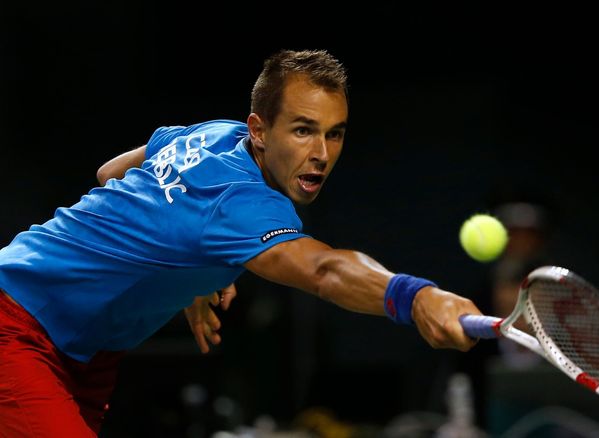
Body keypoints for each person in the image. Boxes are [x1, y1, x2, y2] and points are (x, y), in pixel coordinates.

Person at [0, 49, 482, 436]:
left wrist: (188, 267)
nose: (320, 154)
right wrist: (416, 296)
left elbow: (111, 172)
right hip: (18, 323)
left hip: (82, 353)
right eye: (302, 130)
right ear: (259, 129)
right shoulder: (242, 205)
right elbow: (323, 271)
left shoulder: (214, 133)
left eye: (334, 135)